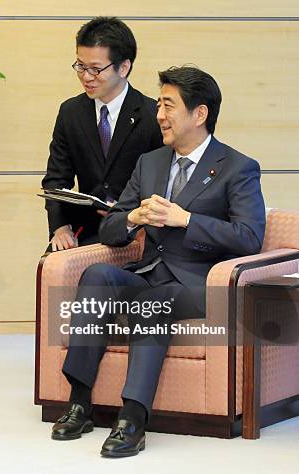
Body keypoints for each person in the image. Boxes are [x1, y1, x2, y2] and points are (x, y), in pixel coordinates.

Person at [51, 66, 266, 457]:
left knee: (154, 303)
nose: (159, 115)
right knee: (98, 274)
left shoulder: (238, 167)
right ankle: (80, 401)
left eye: (168, 106)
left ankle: (132, 417)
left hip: (200, 285)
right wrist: (132, 218)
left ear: (199, 114)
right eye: (160, 105)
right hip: (150, 273)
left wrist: (187, 220)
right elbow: (115, 228)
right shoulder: (150, 163)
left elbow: (250, 237)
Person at [42, 17, 162, 251]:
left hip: (135, 229)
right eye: (80, 66)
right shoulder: (71, 112)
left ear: (124, 67)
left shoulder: (152, 115)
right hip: (85, 229)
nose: (86, 76)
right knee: (51, 266)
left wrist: (133, 215)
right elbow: (56, 179)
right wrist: (60, 228)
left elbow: (164, 182)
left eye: (96, 69)